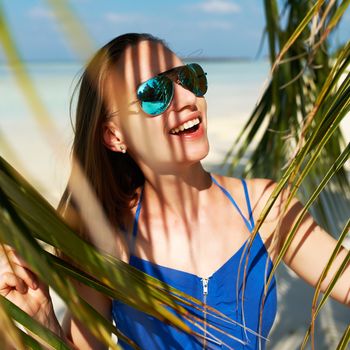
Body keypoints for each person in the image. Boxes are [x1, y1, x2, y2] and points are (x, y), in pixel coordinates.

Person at [0, 33, 349, 350]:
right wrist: (43, 322)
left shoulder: (265, 207)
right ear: (114, 136)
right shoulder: (108, 238)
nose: (186, 98)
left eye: (189, 78)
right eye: (155, 94)